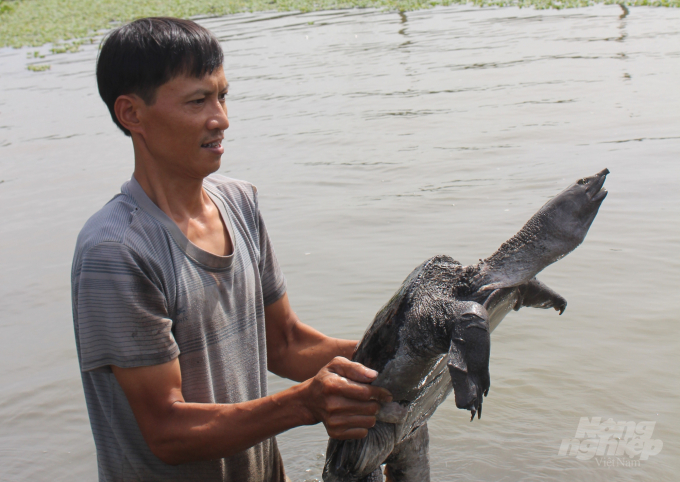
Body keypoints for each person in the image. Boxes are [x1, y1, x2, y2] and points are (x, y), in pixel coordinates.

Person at [71, 17, 392, 482]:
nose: (220, 118)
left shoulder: (238, 202)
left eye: (222, 96)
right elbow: (167, 430)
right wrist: (305, 403)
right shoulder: (117, 251)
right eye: (198, 100)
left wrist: (398, 351)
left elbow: (285, 344)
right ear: (132, 114)